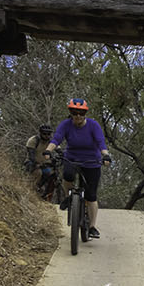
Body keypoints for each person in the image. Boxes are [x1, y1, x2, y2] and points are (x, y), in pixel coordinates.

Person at [52, 99, 108, 240]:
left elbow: (101, 142)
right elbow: (56, 139)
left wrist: (106, 156)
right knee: (67, 175)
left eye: (81, 112)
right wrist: (47, 151)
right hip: (72, 158)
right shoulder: (66, 125)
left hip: (92, 161)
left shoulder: (93, 125)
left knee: (91, 196)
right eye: (74, 112)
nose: (77, 116)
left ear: (85, 113)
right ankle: (69, 198)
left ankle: (92, 227)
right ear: (70, 113)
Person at [22, 124, 60, 201]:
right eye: (44, 134)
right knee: (38, 173)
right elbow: (31, 155)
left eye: (48, 134)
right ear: (40, 133)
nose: (46, 136)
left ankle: (47, 195)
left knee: (52, 174)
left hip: (45, 164)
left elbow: (59, 150)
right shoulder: (33, 140)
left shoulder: (51, 142)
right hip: (33, 163)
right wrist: (36, 164)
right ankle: (30, 191)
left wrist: (61, 156)